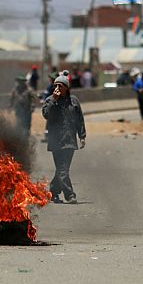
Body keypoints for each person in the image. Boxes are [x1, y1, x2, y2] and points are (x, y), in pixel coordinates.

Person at [42, 72, 86, 204]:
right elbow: (45, 114)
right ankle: (69, 195)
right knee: (62, 169)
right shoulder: (50, 100)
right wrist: (54, 100)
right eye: (56, 86)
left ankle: (53, 192)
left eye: (60, 86)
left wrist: (82, 136)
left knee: (62, 169)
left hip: (70, 141)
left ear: (66, 87)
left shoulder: (74, 101)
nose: (57, 88)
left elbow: (80, 119)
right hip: (56, 141)